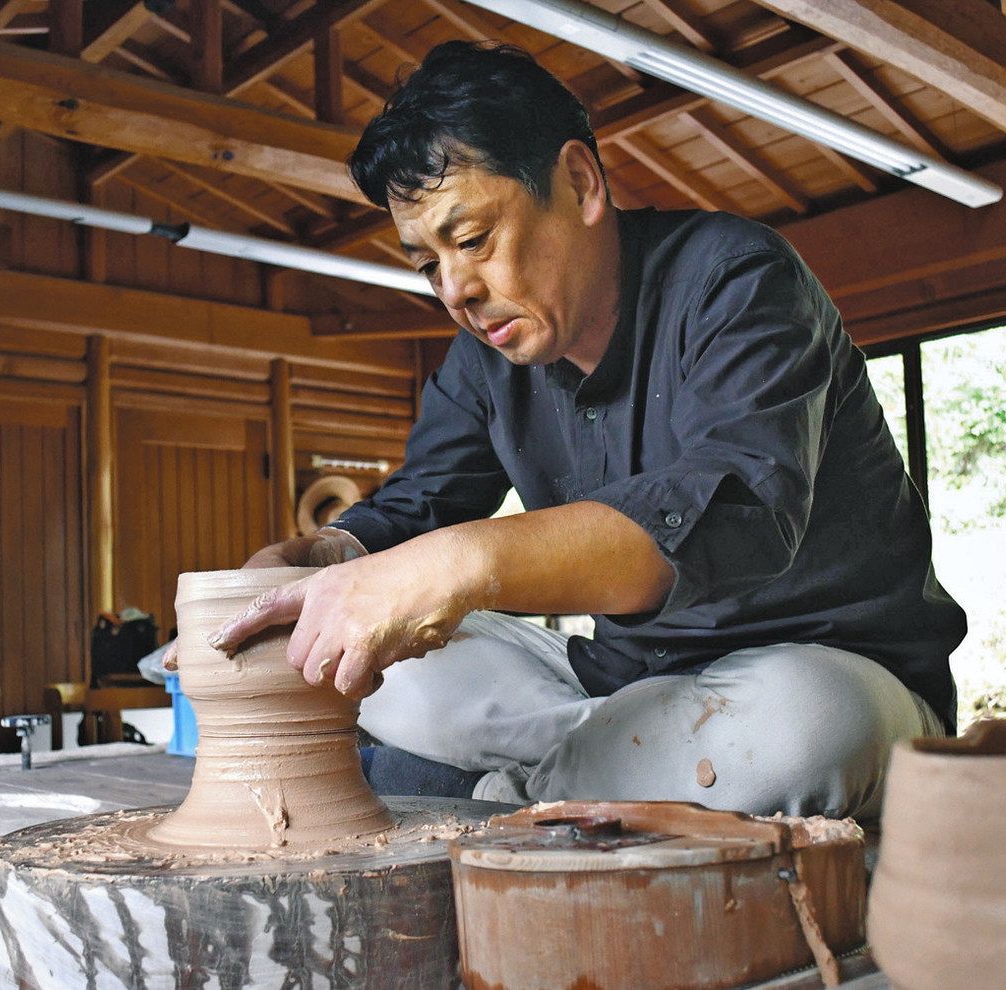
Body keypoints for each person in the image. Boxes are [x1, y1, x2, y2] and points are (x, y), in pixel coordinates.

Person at [206, 40, 966, 820]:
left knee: (805, 730)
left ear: (579, 181)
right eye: (427, 265)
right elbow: (420, 504)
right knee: (377, 670)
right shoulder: (487, 357)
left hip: (826, 669)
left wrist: (464, 561)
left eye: (470, 241)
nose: (457, 290)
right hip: (620, 686)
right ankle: (622, 763)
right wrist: (321, 562)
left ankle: (516, 791)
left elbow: (740, 517)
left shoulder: (737, 279)